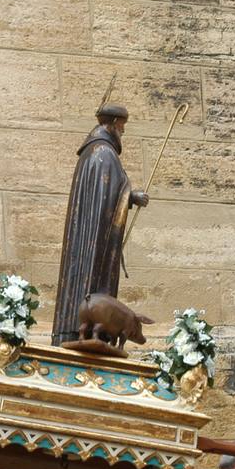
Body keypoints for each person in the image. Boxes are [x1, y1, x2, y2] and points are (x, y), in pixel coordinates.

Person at [51, 102, 149, 345]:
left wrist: (126, 196)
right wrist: (132, 196)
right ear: (114, 124)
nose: (123, 132)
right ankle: (89, 331)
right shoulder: (104, 153)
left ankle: (76, 329)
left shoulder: (91, 152)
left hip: (88, 234)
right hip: (95, 241)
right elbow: (107, 196)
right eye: (122, 126)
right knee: (93, 286)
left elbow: (103, 194)